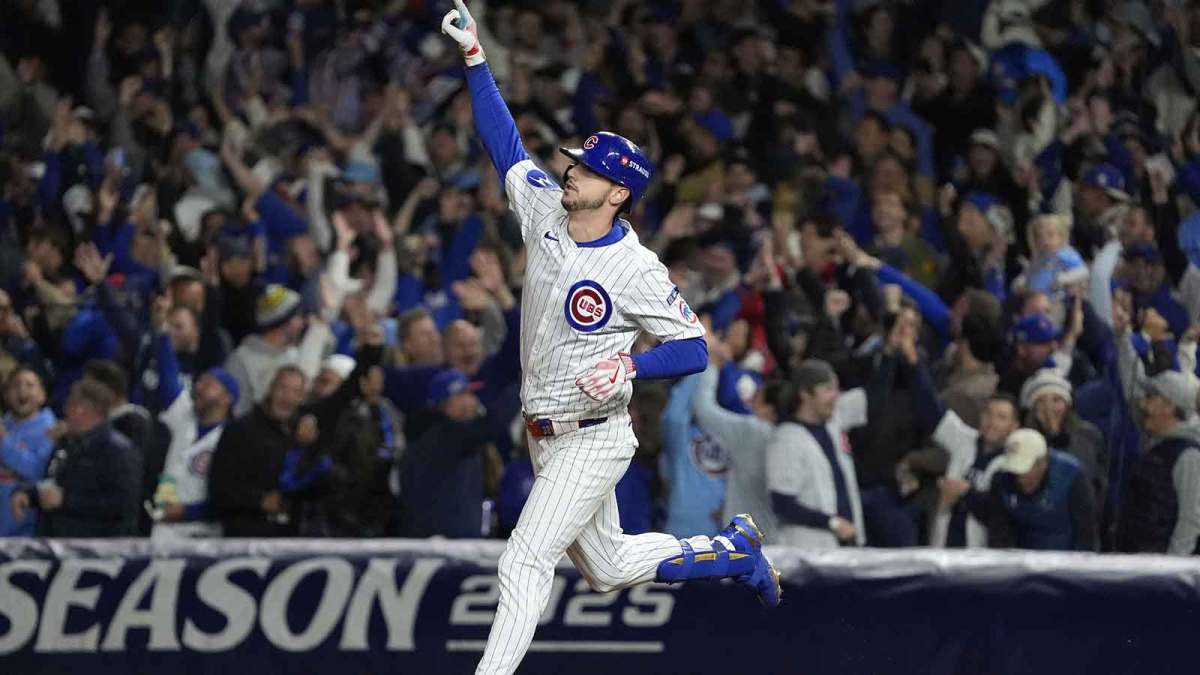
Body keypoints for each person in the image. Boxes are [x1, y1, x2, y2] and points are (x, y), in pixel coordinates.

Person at [440, 4, 779, 673]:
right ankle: (732, 552)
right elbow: (504, 144)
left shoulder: (635, 268)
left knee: (524, 558)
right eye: (575, 163)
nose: (572, 171)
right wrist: (477, 59)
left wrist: (630, 364)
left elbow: (694, 347)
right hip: (543, 431)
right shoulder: (545, 207)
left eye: (588, 170)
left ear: (618, 192)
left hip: (593, 433)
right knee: (609, 566)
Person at [147, 313, 240, 540]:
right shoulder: (184, 417)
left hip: (202, 535)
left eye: (209, 384)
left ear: (227, 398)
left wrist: (188, 512)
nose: (199, 387)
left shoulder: (234, 438)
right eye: (199, 382)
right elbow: (168, 376)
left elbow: (231, 498)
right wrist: (162, 333)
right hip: (163, 529)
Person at [396, 370, 519, 538]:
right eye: (464, 394)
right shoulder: (443, 436)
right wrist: (523, 387)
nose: (473, 401)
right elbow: (493, 424)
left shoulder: (450, 436)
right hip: (439, 543)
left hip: (450, 542)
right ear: (445, 403)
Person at [10, 380, 141, 537]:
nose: (65, 410)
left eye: (69, 404)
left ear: (81, 410)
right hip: (55, 542)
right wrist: (30, 495)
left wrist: (67, 500)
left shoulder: (118, 451)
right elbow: (52, 484)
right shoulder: (67, 443)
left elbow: (124, 504)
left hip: (96, 547)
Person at [766, 359, 867, 549]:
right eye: (827, 389)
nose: (835, 396)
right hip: (808, 549)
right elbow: (782, 504)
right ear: (805, 394)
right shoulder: (786, 439)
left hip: (845, 546)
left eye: (836, 389)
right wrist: (831, 522)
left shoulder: (831, 426)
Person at [207, 365, 308, 537]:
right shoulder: (239, 430)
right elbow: (219, 488)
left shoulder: (301, 435)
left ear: (302, 398)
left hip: (289, 539)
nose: (288, 398)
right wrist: (259, 501)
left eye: (295, 392)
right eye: (282, 389)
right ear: (271, 389)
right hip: (243, 538)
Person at [963, 428, 1099, 551]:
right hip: (1021, 562)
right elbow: (1000, 534)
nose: (1019, 479)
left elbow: (1086, 535)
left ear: (1043, 463)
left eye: (1024, 470)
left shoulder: (1073, 477)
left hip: (1066, 561)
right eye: (1014, 471)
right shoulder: (1002, 479)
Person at [1118, 371, 1200, 554]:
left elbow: (1191, 520)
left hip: (1161, 565)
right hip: (1140, 559)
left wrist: (1172, 565)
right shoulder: (1156, 445)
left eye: (1150, 398)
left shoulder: (1189, 455)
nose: (1143, 404)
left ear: (1169, 406)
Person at [0, 368, 57, 536]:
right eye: (15, 385)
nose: (22, 390)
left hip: (25, 531)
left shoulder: (51, 430)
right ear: (5, 395)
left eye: (30, 385)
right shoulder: (4, 424)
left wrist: (3, 442)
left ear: (42, 395)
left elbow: (37, 471)